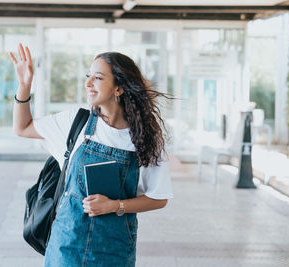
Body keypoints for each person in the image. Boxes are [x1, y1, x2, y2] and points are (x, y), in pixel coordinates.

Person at [10, 43, 173, 266]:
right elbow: (23, 127)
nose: (88, 83)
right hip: (65, 247)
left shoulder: (145, 138)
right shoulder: (75, 123)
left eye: (97, 77)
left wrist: (115, 206)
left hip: (114, 249)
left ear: (119, 88)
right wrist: (24, 85)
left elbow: (158, 197)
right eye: (88, 76)